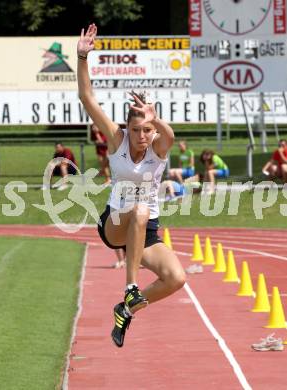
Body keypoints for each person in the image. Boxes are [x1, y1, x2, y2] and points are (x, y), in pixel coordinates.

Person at [77, 23, 186, 348]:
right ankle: (130, 286)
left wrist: (155, 117)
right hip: (115, 222)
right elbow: (87, 97)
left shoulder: (158, 146)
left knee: (176, 279)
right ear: (127, 128)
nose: (141, 136)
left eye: (146, 130)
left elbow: (171, 136)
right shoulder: (117, 140)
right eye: (136, 130)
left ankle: (125, 308)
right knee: (138, 209)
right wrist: (82, 57)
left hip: (146, 228)